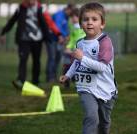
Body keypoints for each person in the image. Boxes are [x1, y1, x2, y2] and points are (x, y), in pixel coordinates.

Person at [59, 2, 118, 134]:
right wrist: (68, 75)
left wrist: (82, 58)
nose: (89, 23)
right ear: (80, 24)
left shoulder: (104, 42)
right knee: (91, 117)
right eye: (85, 19)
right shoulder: (80, 43)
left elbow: (102, 67)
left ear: (102, 24)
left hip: (105, 89)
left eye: (94, 19)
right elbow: (76, 63)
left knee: (104, 122)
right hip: (86, 88)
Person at [0, 0, 51, 89]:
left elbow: (45, 24)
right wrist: (3, 32)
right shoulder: (21, 8)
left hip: (37, 40)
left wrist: (48, 38)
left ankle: (36, 82)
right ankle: (21, 80)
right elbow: (12, 21)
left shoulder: (40, 9)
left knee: (36, 61)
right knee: (23, 59)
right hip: (24, 40)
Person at [45, 3, 75, 83]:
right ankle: (50, 77)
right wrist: (64, 36)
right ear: (68, 9)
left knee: (57, 58)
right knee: (52, 57)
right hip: (52, 39)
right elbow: (57, 27)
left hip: (60, 40)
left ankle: (54, 76)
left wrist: (67, 35)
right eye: (71, 12)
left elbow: (66, 28)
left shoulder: (66, 17)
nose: (71, 15)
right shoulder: (59, 15)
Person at [62, 8, 86, 88]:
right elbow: (72, 39)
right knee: (67, 65)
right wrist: (68, 47)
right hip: (73, 50)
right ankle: (67, 81)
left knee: (79, 65)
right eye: (71, 17)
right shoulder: (72, 27)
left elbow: (82, 38)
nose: (72, 19)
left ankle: (78, 81)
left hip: (81, 50)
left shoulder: (83, 27)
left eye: (74, 17)